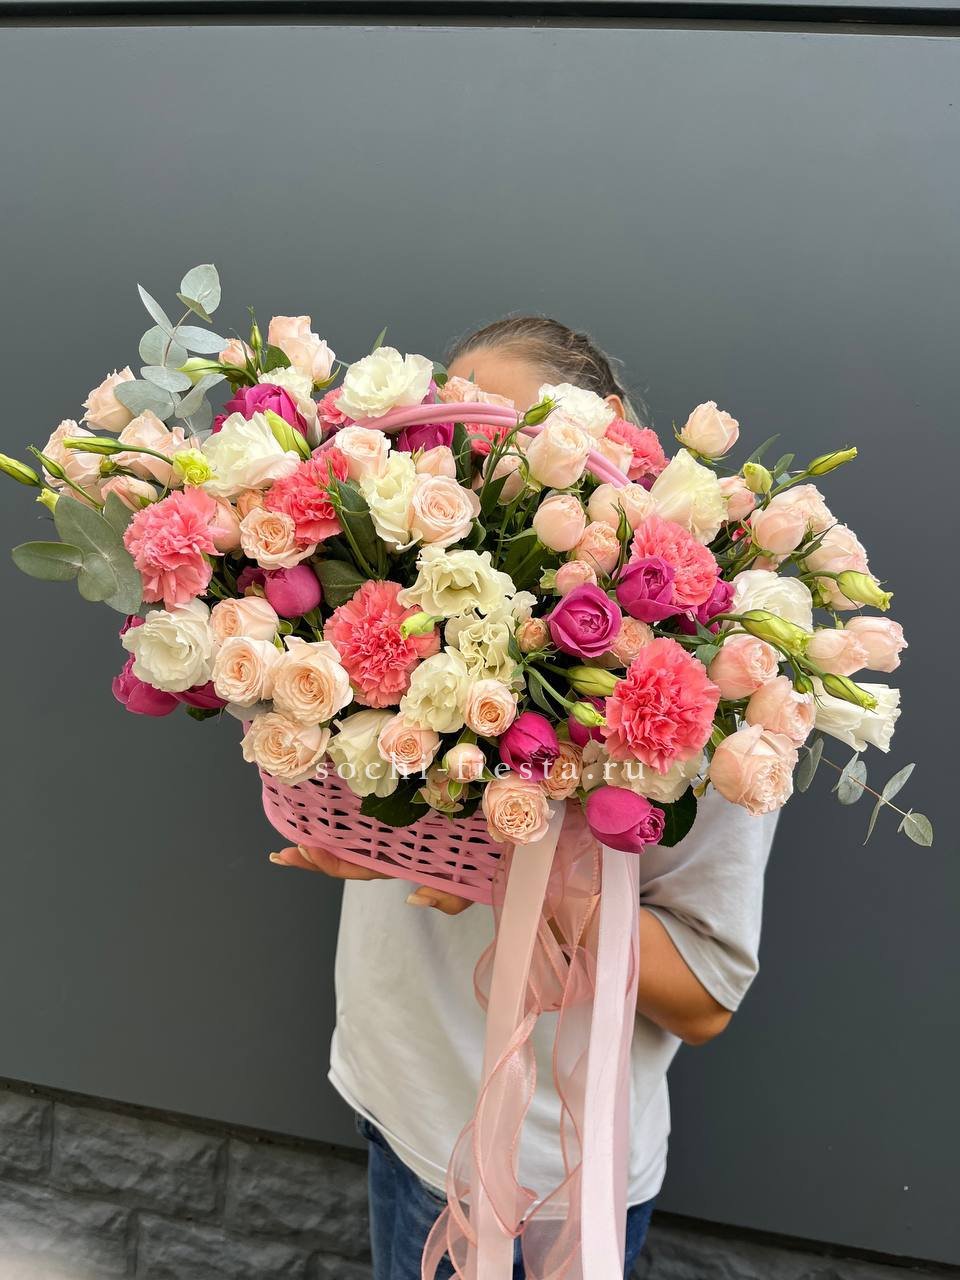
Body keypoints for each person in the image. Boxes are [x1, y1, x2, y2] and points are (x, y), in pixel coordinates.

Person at [269, 316, 778, 1280]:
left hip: (535, 1180)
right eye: (452, 436)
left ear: (608, 425)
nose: (475, 464)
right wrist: (374, 833)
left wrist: (506, 869)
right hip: (396, 1094)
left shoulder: (697, 692)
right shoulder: (419, 597)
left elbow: (705, 998)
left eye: (505, 428)